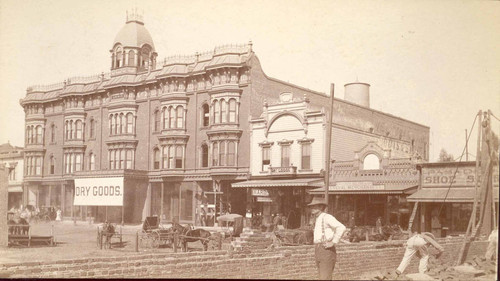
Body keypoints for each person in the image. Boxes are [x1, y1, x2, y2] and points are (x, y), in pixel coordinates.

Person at [308, 197, 346, 280]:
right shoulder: (317, 218)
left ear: (321, 207)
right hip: (318, 249)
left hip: (326, 249)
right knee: (322, 276)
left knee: (325, 277)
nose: (312, 208)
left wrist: (333, 242)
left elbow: (341, 227)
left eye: (315, 206)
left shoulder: (327, 217)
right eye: (311, 206)